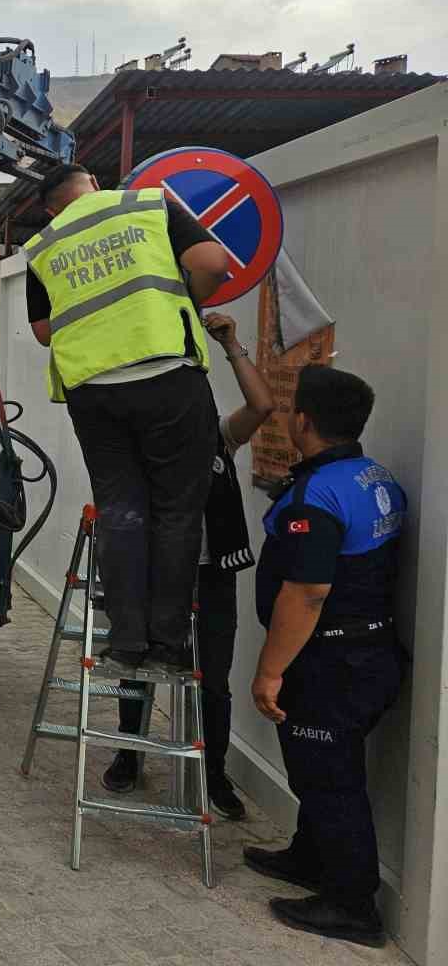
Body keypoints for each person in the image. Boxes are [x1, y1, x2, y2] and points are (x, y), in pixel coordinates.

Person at [24, 168, 230, 669]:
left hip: (93, 391)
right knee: (177, 511)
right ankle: (166, 642)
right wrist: (180, 299)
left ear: (52, 209)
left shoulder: (44, 245)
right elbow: (212, 262)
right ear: (94, 183)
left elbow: (45, 331)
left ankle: (127, 640)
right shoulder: (147, 206)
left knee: (121, 509)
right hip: (166, 374)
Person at [242, 364, 405, 948]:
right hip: (368, 653)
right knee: (321, 771)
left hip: (333, 663)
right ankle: (310, 859)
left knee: (331, 781)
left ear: (303, 420)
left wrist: (269, 671)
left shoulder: (319, 494)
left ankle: (354, 906)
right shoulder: (372, 476)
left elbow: (308, 591)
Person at [103, 311, 274, 820]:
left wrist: (232, 344)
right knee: (138, 667)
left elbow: (263, 405)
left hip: (212, 575)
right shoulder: (142, 453)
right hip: (155, 576)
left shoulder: (220, 439)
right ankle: (129, 754)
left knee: (213, 679)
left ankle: (213, 771)